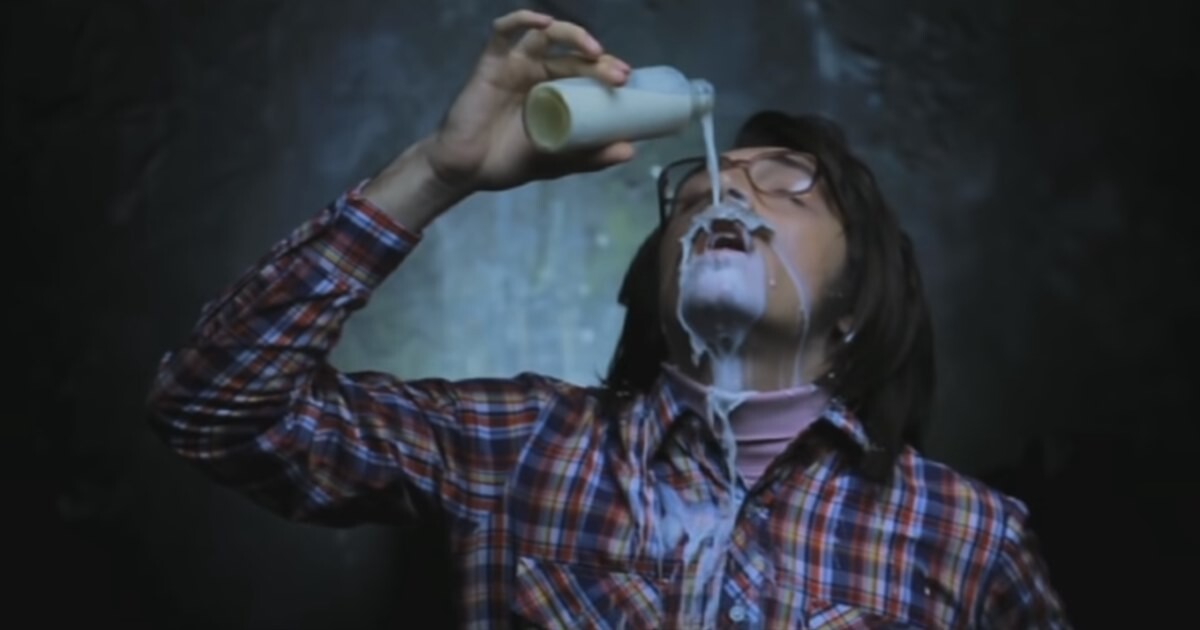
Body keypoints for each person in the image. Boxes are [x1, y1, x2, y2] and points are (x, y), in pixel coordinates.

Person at [146, 9, 1069, 629]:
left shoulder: (967, 536)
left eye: (789, 182)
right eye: (695, 194)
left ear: (862, 297)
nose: (726, 194)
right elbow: (214, 409)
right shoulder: (521, 451)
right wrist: (438, 171)